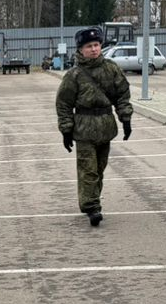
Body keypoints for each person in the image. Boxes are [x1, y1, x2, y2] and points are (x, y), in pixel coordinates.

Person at [54, 26, 132, 226]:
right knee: (88, 170)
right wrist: (66, 130)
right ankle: (92, 206)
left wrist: (126, 118)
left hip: (105, 127)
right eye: (89, 46)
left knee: (99, 168)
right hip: (84, 129)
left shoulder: (111, 68)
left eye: (96, 45)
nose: (94, 49)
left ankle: (91, 200)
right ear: (80, 49)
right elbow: (64, 104)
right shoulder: (74, 75)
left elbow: (122, 94)